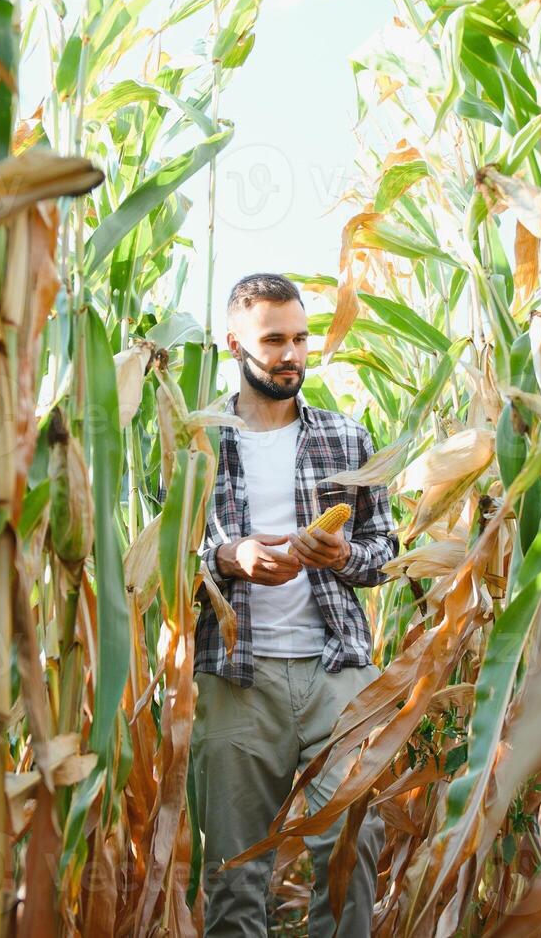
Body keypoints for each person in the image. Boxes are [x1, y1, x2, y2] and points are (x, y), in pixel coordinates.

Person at [191, 272, 399, 937]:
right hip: (235, 675)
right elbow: (157, 558)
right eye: (273, 340)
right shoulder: (197, 445)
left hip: (334, 670)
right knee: (233, 868)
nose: (291, 355)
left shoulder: (346, 438)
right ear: (234, 343)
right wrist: (230, 560)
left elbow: (384, 551)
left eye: (301, 339)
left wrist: (340, 557)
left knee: (348, 853)